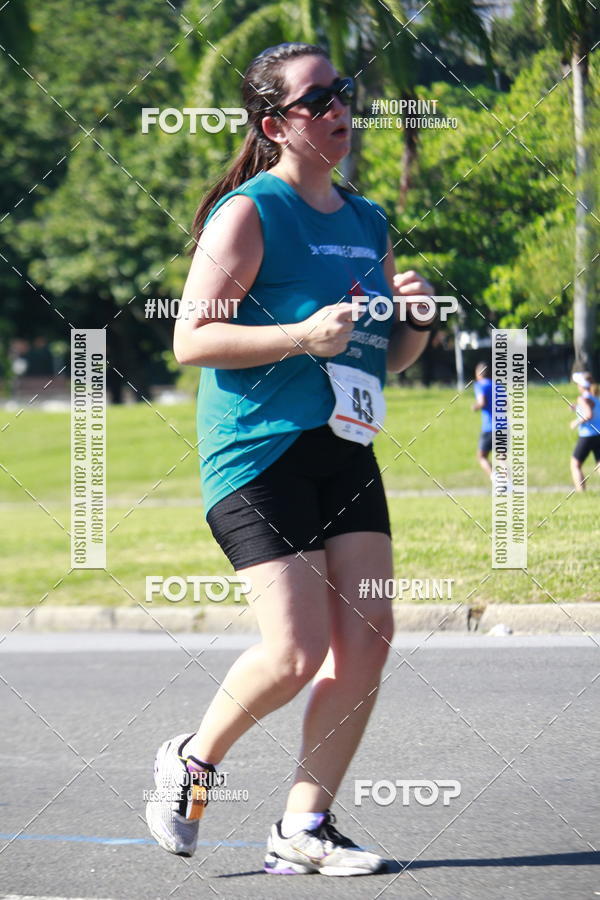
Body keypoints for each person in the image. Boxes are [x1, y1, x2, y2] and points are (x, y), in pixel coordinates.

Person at [146, 41, 436, 877]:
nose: (340, 107)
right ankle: (193, 761)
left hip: (344, 445)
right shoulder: (249, 213)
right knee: (295, 653)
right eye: (318, 99)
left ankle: (304, 827)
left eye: (343, 90)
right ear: (275, 125)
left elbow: (388, 358)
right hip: (258, 452)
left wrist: (416, 322)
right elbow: (191, 339)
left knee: (370, 637)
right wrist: (300, 335)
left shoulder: (367, 219)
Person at [569, 371, 600, 492]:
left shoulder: (582, 398)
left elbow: (589, 414)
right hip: (598, 434)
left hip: (587, 435)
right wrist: (577, 408)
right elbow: (591, 408)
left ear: (582, 386)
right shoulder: (595, 397)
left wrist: (576, 422)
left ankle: (581, 493)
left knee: (575, 464)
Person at [472, 361, 494, 479]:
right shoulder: (498, 386)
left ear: (478, 374)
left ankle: (496, 479)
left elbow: (482, 402)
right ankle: (509, 484)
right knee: (502, 459)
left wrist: (475, 407)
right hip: (504, 426)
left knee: (481, 457)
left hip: (489, 427)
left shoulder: (480, 385)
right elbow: (507, 405)